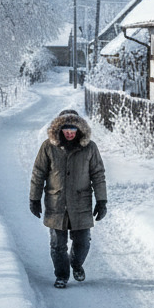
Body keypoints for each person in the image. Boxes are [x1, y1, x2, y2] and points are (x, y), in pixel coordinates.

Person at [29, 109, 107, 288]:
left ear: (79, 129)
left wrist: (102, 201)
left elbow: (98, 174)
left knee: (83, 242)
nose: (70, 132)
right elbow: (38, 173)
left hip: (81, 202)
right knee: (58, 244)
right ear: (59, 129)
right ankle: (62, 275)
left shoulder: (90, 147)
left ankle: (76, 264)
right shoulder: (48, 147)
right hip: (56, 203)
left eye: (73, 128)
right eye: (66, 129)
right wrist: (34, 198)